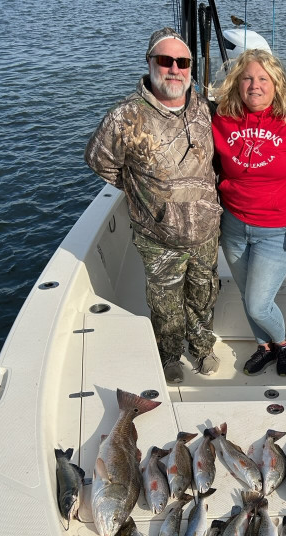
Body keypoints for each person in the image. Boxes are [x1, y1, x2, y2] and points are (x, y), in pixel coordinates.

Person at [85, 27, 222, 384]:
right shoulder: (125, 117)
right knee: (165, 302)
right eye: (165, 61)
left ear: (191, 67)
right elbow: (99, 161)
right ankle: (170, 355)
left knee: (204, 294)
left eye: (182, 62)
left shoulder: (207, 108)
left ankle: (203, 347)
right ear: (149, 64)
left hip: (206, 231)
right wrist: (140, 194)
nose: (174, 69)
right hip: (157, 236)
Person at [212, 49, 286, 377]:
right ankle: (264, 346)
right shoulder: (222, 117)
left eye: (262, 79)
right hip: (234, 223)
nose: (254, 85)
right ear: (236, 84)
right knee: (246, 293)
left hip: (280, 227)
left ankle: (283, 342)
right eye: (247, 78)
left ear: (276, 83)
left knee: (258, 302)